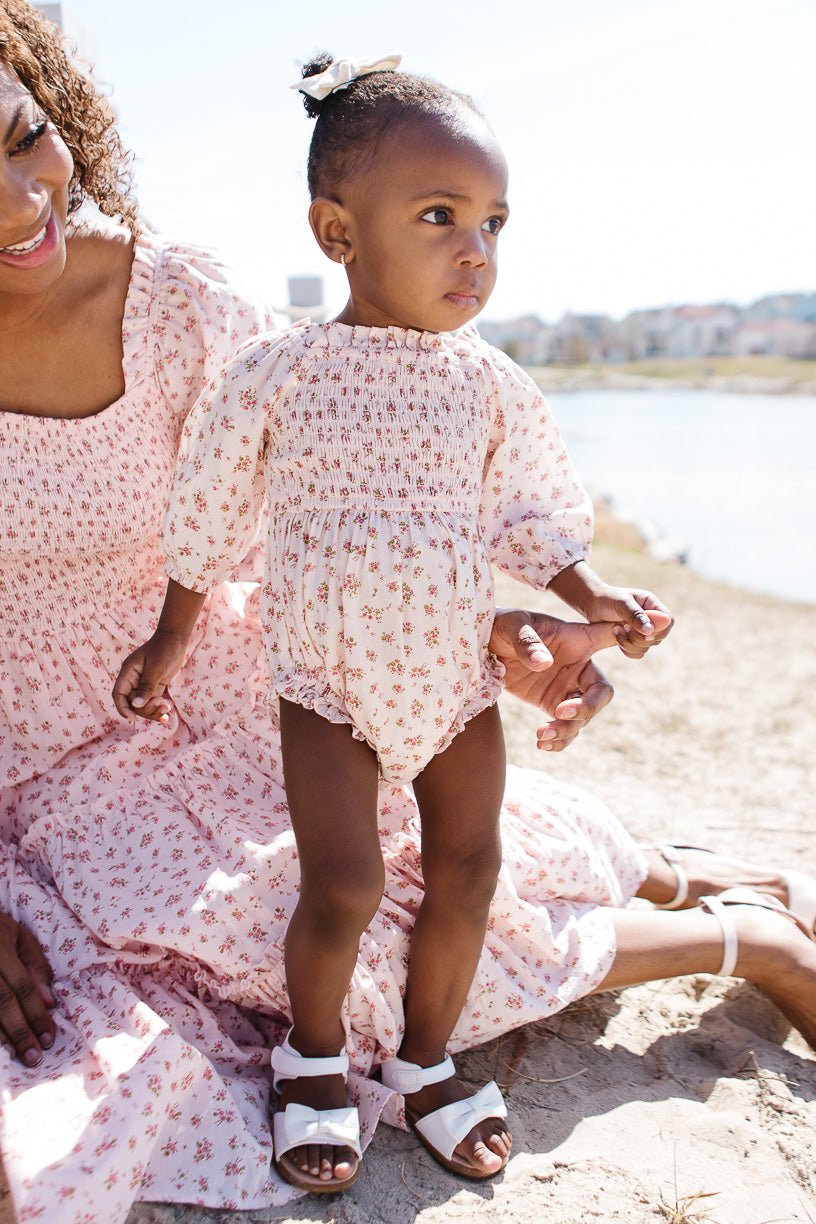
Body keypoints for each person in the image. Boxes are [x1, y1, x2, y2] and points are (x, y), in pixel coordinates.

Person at [0, 7, 813, 1219]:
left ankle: (729, 925)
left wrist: (490, 630)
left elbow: (329, 513)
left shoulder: (185, 307)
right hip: (48, 762)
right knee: (280, 953)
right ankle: (694, 897)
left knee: (420, 892)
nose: (24, 201)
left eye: (24, 136)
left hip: (255, 687)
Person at [115, 54, 677, 1193]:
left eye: (493, 223)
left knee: (471, 864)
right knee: (346, 886)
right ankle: (311, 1056)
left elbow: (529, 517)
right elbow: (210, 509)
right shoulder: (281, 372)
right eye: (440, 217)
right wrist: (172, 635)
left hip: (454, 676)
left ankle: (427, 1059)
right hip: (326, 682)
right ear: (338, 232)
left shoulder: (491, 384)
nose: (477, 249)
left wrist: (591, 597)